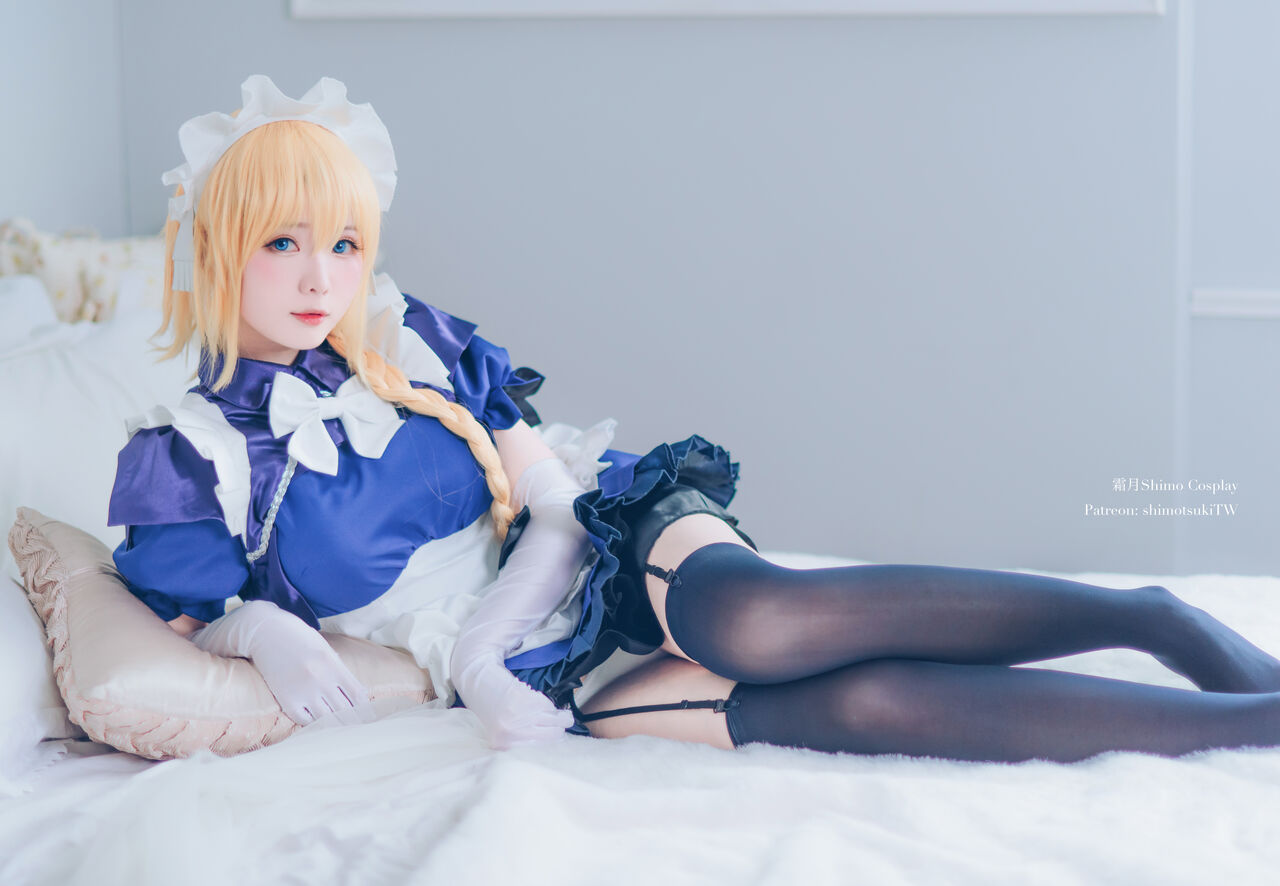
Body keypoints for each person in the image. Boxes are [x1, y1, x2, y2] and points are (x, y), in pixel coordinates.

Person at [109, 75, 1280, 764]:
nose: (321, 276)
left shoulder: (408, 339)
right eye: (283, 242)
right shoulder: (187, 458)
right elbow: (184, 618)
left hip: (595, 546)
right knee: (848, 705)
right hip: (540, 670)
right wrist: (259, 629)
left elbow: (554, 505)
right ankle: (1248, 731)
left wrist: (477, 656)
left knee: (759, 618)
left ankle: (1150, 615)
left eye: (344, 241)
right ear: (218, 247)